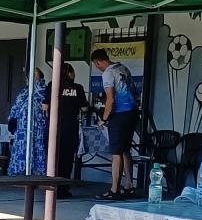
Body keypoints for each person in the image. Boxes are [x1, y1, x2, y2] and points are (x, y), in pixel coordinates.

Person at [92, 48, 139, 200]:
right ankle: (130, 185)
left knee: (116, 153)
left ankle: (114, 190)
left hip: (119, 114)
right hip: (132, 112)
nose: (97, 68)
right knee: (126, 150)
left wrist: (104, 119)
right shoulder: (123, 67)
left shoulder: (108, 73)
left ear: (98, 62)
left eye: (96, 65)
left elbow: (110, 99)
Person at [5, 69, 49, 176]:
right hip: (21, 128)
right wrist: (12, 120)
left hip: (37, 127)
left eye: (35, 75)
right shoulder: (24, 92)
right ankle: (20, 171)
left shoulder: (44, 90)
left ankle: (37, 172)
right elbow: (16, 106)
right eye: (30, 76)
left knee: (37, 149)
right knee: (21, 150)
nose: (32, 78)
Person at [55, 62, 88, 197]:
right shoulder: (78, 88)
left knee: (54, 159)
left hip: (54, 129)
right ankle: (63, 189)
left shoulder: (53, 86)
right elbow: (85, 108)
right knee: (67, 160)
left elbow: (44, 106)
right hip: (70, 128)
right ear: (69, 73)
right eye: (73, 71)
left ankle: (52, 189)